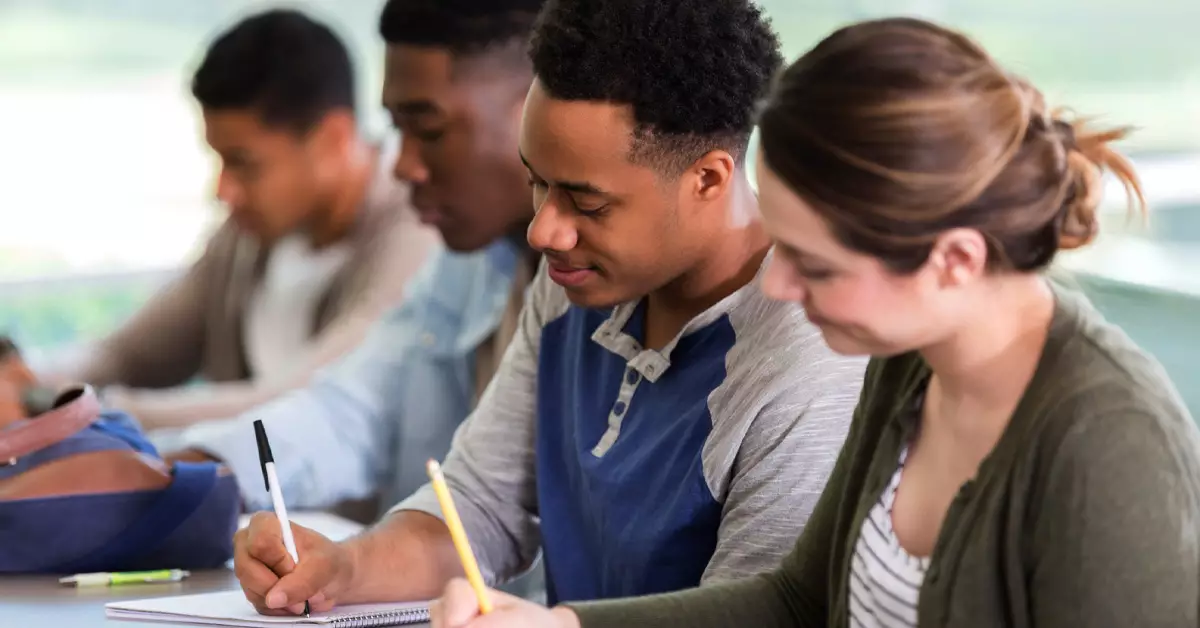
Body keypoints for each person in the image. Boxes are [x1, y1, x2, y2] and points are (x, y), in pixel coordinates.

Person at [427, 16, 1200, 628]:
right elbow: (798, 603)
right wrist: (558, 625)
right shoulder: (912, 362)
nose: (782, 286)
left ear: (956, 260)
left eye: (816, 264)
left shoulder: (1105, 439)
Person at [232, 0, 867, 616]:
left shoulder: (805, 362)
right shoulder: (575, 280)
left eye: (588, 203)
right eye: (537, 181)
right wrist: (344, 568)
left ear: (708, 178)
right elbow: (479, 508)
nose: (544, 230)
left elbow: (760, 613)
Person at [165, 0, 546, 521]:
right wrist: (188, 469)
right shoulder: (467, 265)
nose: (406, 165)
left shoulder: (601, 286)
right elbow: (353, 406)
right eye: (397, 130)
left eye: (429, 130)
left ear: (539, 108)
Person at [45, 9, 438, 431]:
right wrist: (32, 382)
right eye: (218, 160)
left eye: (243, 164)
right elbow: (127, 354)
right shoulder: (248, 234)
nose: (222, 191)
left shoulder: (414, 229)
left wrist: (88, 410)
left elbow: (300, 399)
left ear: (333, 139)